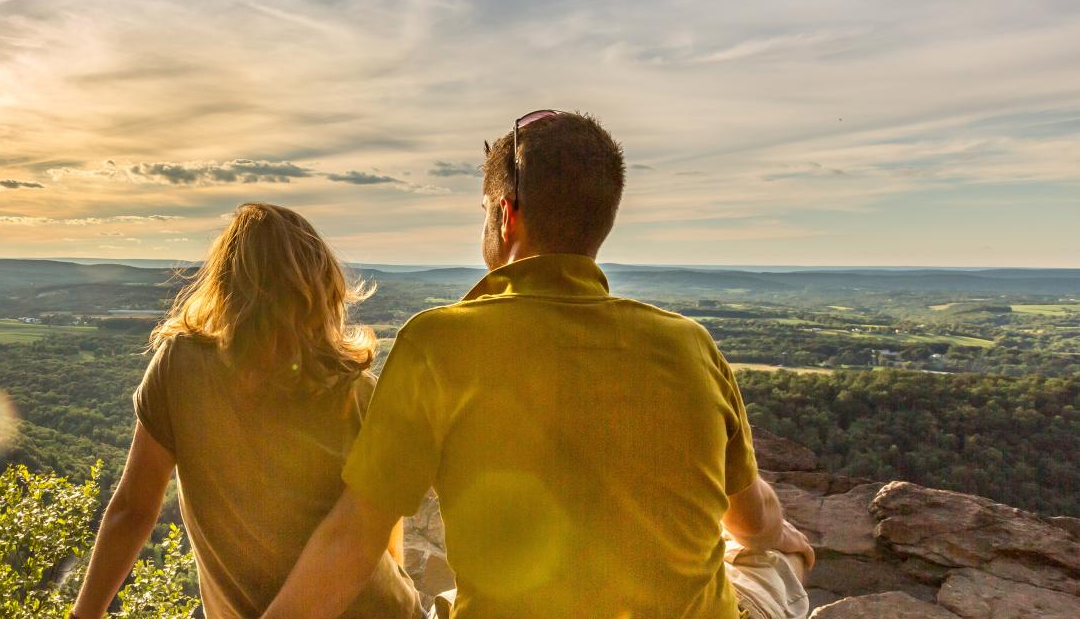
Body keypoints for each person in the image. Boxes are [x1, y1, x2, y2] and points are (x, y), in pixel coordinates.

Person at [261, 111, 813, 619]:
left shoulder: (438, 342)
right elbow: (753, 522)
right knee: (766, 559)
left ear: (506, 216)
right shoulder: (689, 345)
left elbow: (354, 536)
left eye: (484, 211)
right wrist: (778, 535)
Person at [70, 203, 422, 619]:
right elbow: (378, 526)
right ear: (322, 287)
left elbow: (133, 509)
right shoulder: (355, 391)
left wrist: (83, 615)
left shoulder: (180, 366)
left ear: (225, 284)